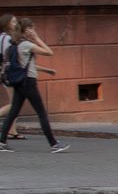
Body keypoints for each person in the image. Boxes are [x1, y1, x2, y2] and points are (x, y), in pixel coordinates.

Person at [0, 18, 68, 153]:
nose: (34, 31)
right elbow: (49, 52)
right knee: (41, 113)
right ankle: (54, 144)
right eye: (33, 29)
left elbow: (22, 65)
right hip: (29, 83)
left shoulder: (14, 45)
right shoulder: (26, 45)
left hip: (18, 82)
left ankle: (1, 141)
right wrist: (36, 38)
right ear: (27, 31)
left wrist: (46, 70)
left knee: (13, 112)